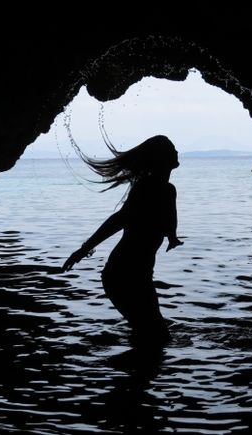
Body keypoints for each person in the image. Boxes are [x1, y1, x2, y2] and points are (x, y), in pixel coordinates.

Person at [62, 135, 183, 343]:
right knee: (157, 336)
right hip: (123, 275)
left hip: (140, 275)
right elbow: (118, 220)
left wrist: (172, 237)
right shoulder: (146, 187)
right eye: (172, 148)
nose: (177, 151)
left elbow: (170, 221)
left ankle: (131, 370)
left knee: (150, 334)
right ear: (161, 157)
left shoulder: (168, 190)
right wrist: (84, 249)